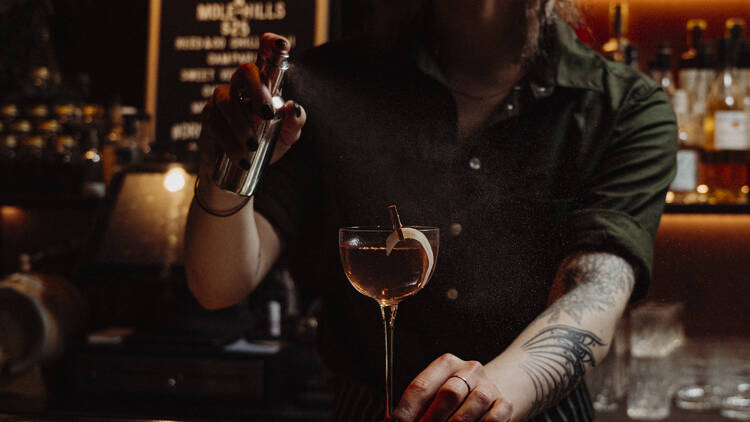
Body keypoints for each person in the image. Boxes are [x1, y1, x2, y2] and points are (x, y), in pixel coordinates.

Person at [184, 0, 677, 420]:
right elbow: (218, 284)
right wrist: (228, 166)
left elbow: (594, 292)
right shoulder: (323, 86)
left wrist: (484, 393)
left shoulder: (625, 108)